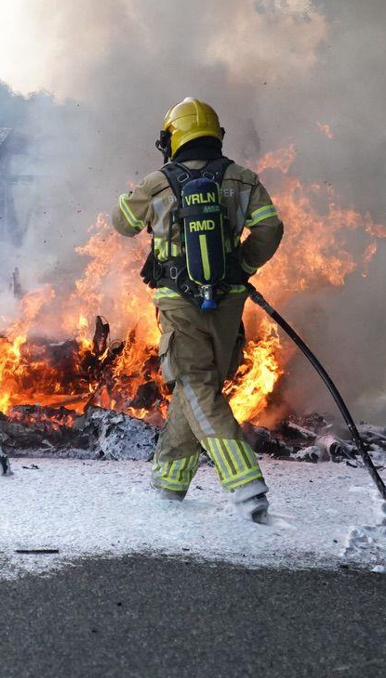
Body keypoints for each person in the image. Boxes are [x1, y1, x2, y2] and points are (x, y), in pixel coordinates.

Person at [111, 98, 284, 522]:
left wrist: (133, 196)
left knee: (193, 384)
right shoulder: (243, 180)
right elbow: (270, 227)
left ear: (171, 138)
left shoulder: (157, 183)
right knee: (199, 386)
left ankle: (245, 485)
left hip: (177, 302)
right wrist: (242, 265)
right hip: (228, 301)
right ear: (215, 135)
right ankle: (170, 482)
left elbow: (122, 225)